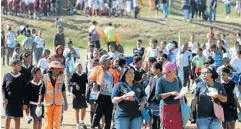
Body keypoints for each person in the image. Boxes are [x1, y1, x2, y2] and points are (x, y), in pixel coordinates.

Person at [88, 54, 119, 129]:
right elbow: (91, 79)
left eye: (110, 60)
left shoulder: (113, 71)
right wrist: (94, 84)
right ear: (103, 62)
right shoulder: (97, 69)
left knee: (108, 117)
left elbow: (117, 81)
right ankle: (93, 127)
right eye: (108, 60)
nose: (110, 61)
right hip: (100, 95)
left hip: (110, 97)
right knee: (97, 114)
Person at [37, 61, 68, 129]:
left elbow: (63, 90)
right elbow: (41, 91)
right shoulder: (45, 77)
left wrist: (66, 101)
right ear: (51, 69)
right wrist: (39, 102)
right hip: (48, 105)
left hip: (58, 105)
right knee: (48, 124)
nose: (58, 70)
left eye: (58, 68)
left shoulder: (62, 77)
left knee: (56, 124)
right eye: (56, 68)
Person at [155, 62, 183, 129]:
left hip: (177, 109)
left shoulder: (177, 79)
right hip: (166, 108)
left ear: (174, 71)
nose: (166, 74)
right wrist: (170, 93)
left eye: (168, 72)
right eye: (164, 72)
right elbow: (158, 96)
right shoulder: (160, 80)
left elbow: (181, 92)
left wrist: (181, 95)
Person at [2, 59, 28, 129]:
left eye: (20, 65)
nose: (20, 66)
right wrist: (4, 98)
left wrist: (25, 103)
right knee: (8, 118)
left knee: (17, 120)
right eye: (18, 65)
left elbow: (25, 90)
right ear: (13, 65)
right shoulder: (6, 75)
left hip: (18, 101)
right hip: (8, 101)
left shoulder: (22, 76)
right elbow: (3, 88)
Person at [69, 62, 88, 129]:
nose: (79, 67)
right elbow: (70, 83)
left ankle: (81, 122)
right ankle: (77, 124)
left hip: (82, 94)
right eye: (78, 66)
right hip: (75, 95)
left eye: (80, 66)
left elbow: (88, 81)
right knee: (77, 110)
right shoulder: (74, 75)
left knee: (84, 109)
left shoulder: (84, 75)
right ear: (76, 67)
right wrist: (75, 84)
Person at [146, 62, 163, 129]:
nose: (151, 70)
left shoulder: (164, 79)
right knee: (154, 120)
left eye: (153, 68)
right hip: (153, 102)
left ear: (158, 70)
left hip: (161, 102)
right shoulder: (152, 78)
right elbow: (149, 91)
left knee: (160, 120)